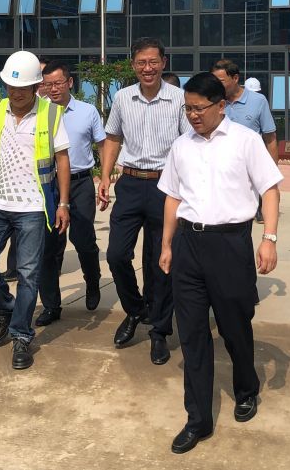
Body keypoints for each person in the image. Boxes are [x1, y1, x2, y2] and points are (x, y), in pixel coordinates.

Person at [158, 72, 282, 454]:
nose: (193, 115)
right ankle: (197, 419)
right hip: (189, 245)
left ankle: (246, 389)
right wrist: (166, 244)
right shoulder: (181, 146)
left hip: (230, 244)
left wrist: (269, 239)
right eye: (188, 109)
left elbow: (269, 189)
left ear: (221, 105)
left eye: (199, 108)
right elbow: (172, 197)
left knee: (234, 326)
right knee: (192, 333)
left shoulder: (245, 141)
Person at [0, 51, 71, 370]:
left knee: (28, 273)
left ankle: (21, 334)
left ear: (36, 86)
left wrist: (63, 203)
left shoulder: (50, 113)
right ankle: (6, 308)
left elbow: (62, 159)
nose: (16, 93)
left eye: (22, 88)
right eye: (11, 87)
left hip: (33, 208)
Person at [98, 37, 190, 365]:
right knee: (116, 254)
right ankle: (136, 310)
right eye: (141, 63)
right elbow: (112, 137)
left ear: (163, 63)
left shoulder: (179, 99)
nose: (147, 68)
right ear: (133, 65)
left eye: (153, 62)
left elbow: (189, 144)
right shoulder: (123, 98)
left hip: (166, 186)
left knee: (162, 261)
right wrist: (105, 176)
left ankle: (159, 331)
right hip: (131, 184)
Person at [35, 59, 105, 325]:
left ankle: (93, 281)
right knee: (49, 247)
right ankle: (51, 305)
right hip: (48, 184)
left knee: (83, 240)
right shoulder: (38, 111)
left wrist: (105, 177)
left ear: (70, 82)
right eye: (47, 84)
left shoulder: (87, 112)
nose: (53, 89)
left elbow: (102, 144)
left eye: (58, 83)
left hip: (80, 183)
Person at [211, 59, 278, 224]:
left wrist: (273, 172)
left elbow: (270, 139)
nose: (216, 85)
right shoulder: (213, 102)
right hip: (221, 167)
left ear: (235, 78)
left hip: (250, 167)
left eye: (221, 81)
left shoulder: (258, 101)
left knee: (245, 216)